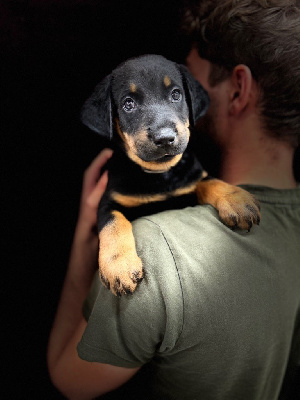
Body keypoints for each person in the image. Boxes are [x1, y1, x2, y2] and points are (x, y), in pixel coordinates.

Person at [47, 1, 300, 399]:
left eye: (188, 86)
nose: (167, 124)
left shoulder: (154, 254)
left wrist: (82, 245)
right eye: (132, 103)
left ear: (238, 89)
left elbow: (67, 378)